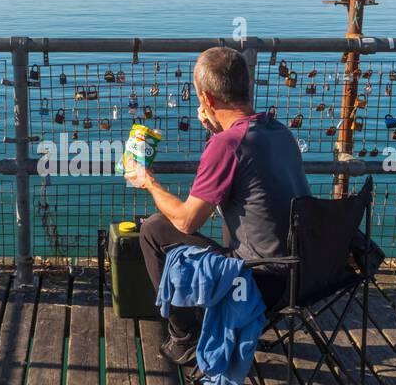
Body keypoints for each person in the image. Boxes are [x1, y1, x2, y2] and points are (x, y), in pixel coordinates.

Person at [124, 45, 308, 364]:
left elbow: (186, 222)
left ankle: (185, 338)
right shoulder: (280, 133)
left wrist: (149, 182)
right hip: (304, 272)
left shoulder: (226, 146)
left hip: (257, 282)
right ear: (245, 87)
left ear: (207, 99)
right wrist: (217, 132)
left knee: (154, 228)